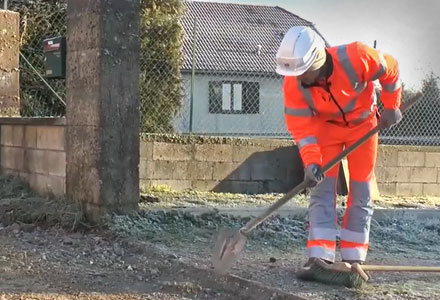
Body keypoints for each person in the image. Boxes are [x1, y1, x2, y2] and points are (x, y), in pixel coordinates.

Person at [275, 26, 402, 279]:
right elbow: (301, 128)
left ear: (317, 61)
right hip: (326, 130)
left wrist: (391, 105)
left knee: (361, 190)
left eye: (303, 73)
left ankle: (353, 258)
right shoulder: (293, 84)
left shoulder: (358, 56)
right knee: (321, 190)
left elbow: (391, 70)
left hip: (364, 126)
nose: (299, 79)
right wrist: (311, 163)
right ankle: (319, 256)